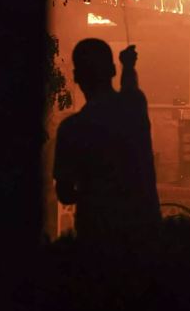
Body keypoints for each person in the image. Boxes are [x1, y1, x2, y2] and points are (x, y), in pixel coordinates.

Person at [53, 39, 161, 242]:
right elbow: (130, 89)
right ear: (112, 70)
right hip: (145, 235)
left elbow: (65, 193)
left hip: (97, 238)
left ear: (76, 77)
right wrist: (127, 65)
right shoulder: (134, 107)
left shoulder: (71, 129)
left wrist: (92, 194)